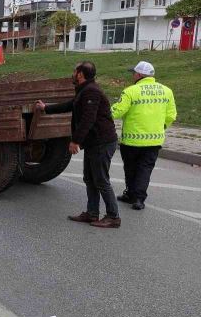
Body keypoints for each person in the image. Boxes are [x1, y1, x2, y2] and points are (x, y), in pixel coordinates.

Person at [35, 61, 120, 228]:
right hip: (94, 143)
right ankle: (92, 213)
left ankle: (113, 217)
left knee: (101, 180)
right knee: (90, 178)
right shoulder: (84, 90)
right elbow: (70, 105)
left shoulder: (91, 92)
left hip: (102, 142)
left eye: (75, 71)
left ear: (80, 74)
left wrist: (75, 141)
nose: (72, 73)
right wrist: (46, 108)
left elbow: (88, 119)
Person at [112, 61, 177, 210]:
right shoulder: (167, 91)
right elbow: (171, 115)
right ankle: (139, 199)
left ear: (140, 75)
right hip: (154, 141)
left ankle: (130, 194)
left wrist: (102, 114)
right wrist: (162, 127)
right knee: (145, 169)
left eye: (134, 73)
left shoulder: (131, 91)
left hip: (132, 141)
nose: (133, 75)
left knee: (131, 168)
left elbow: (117, 111)